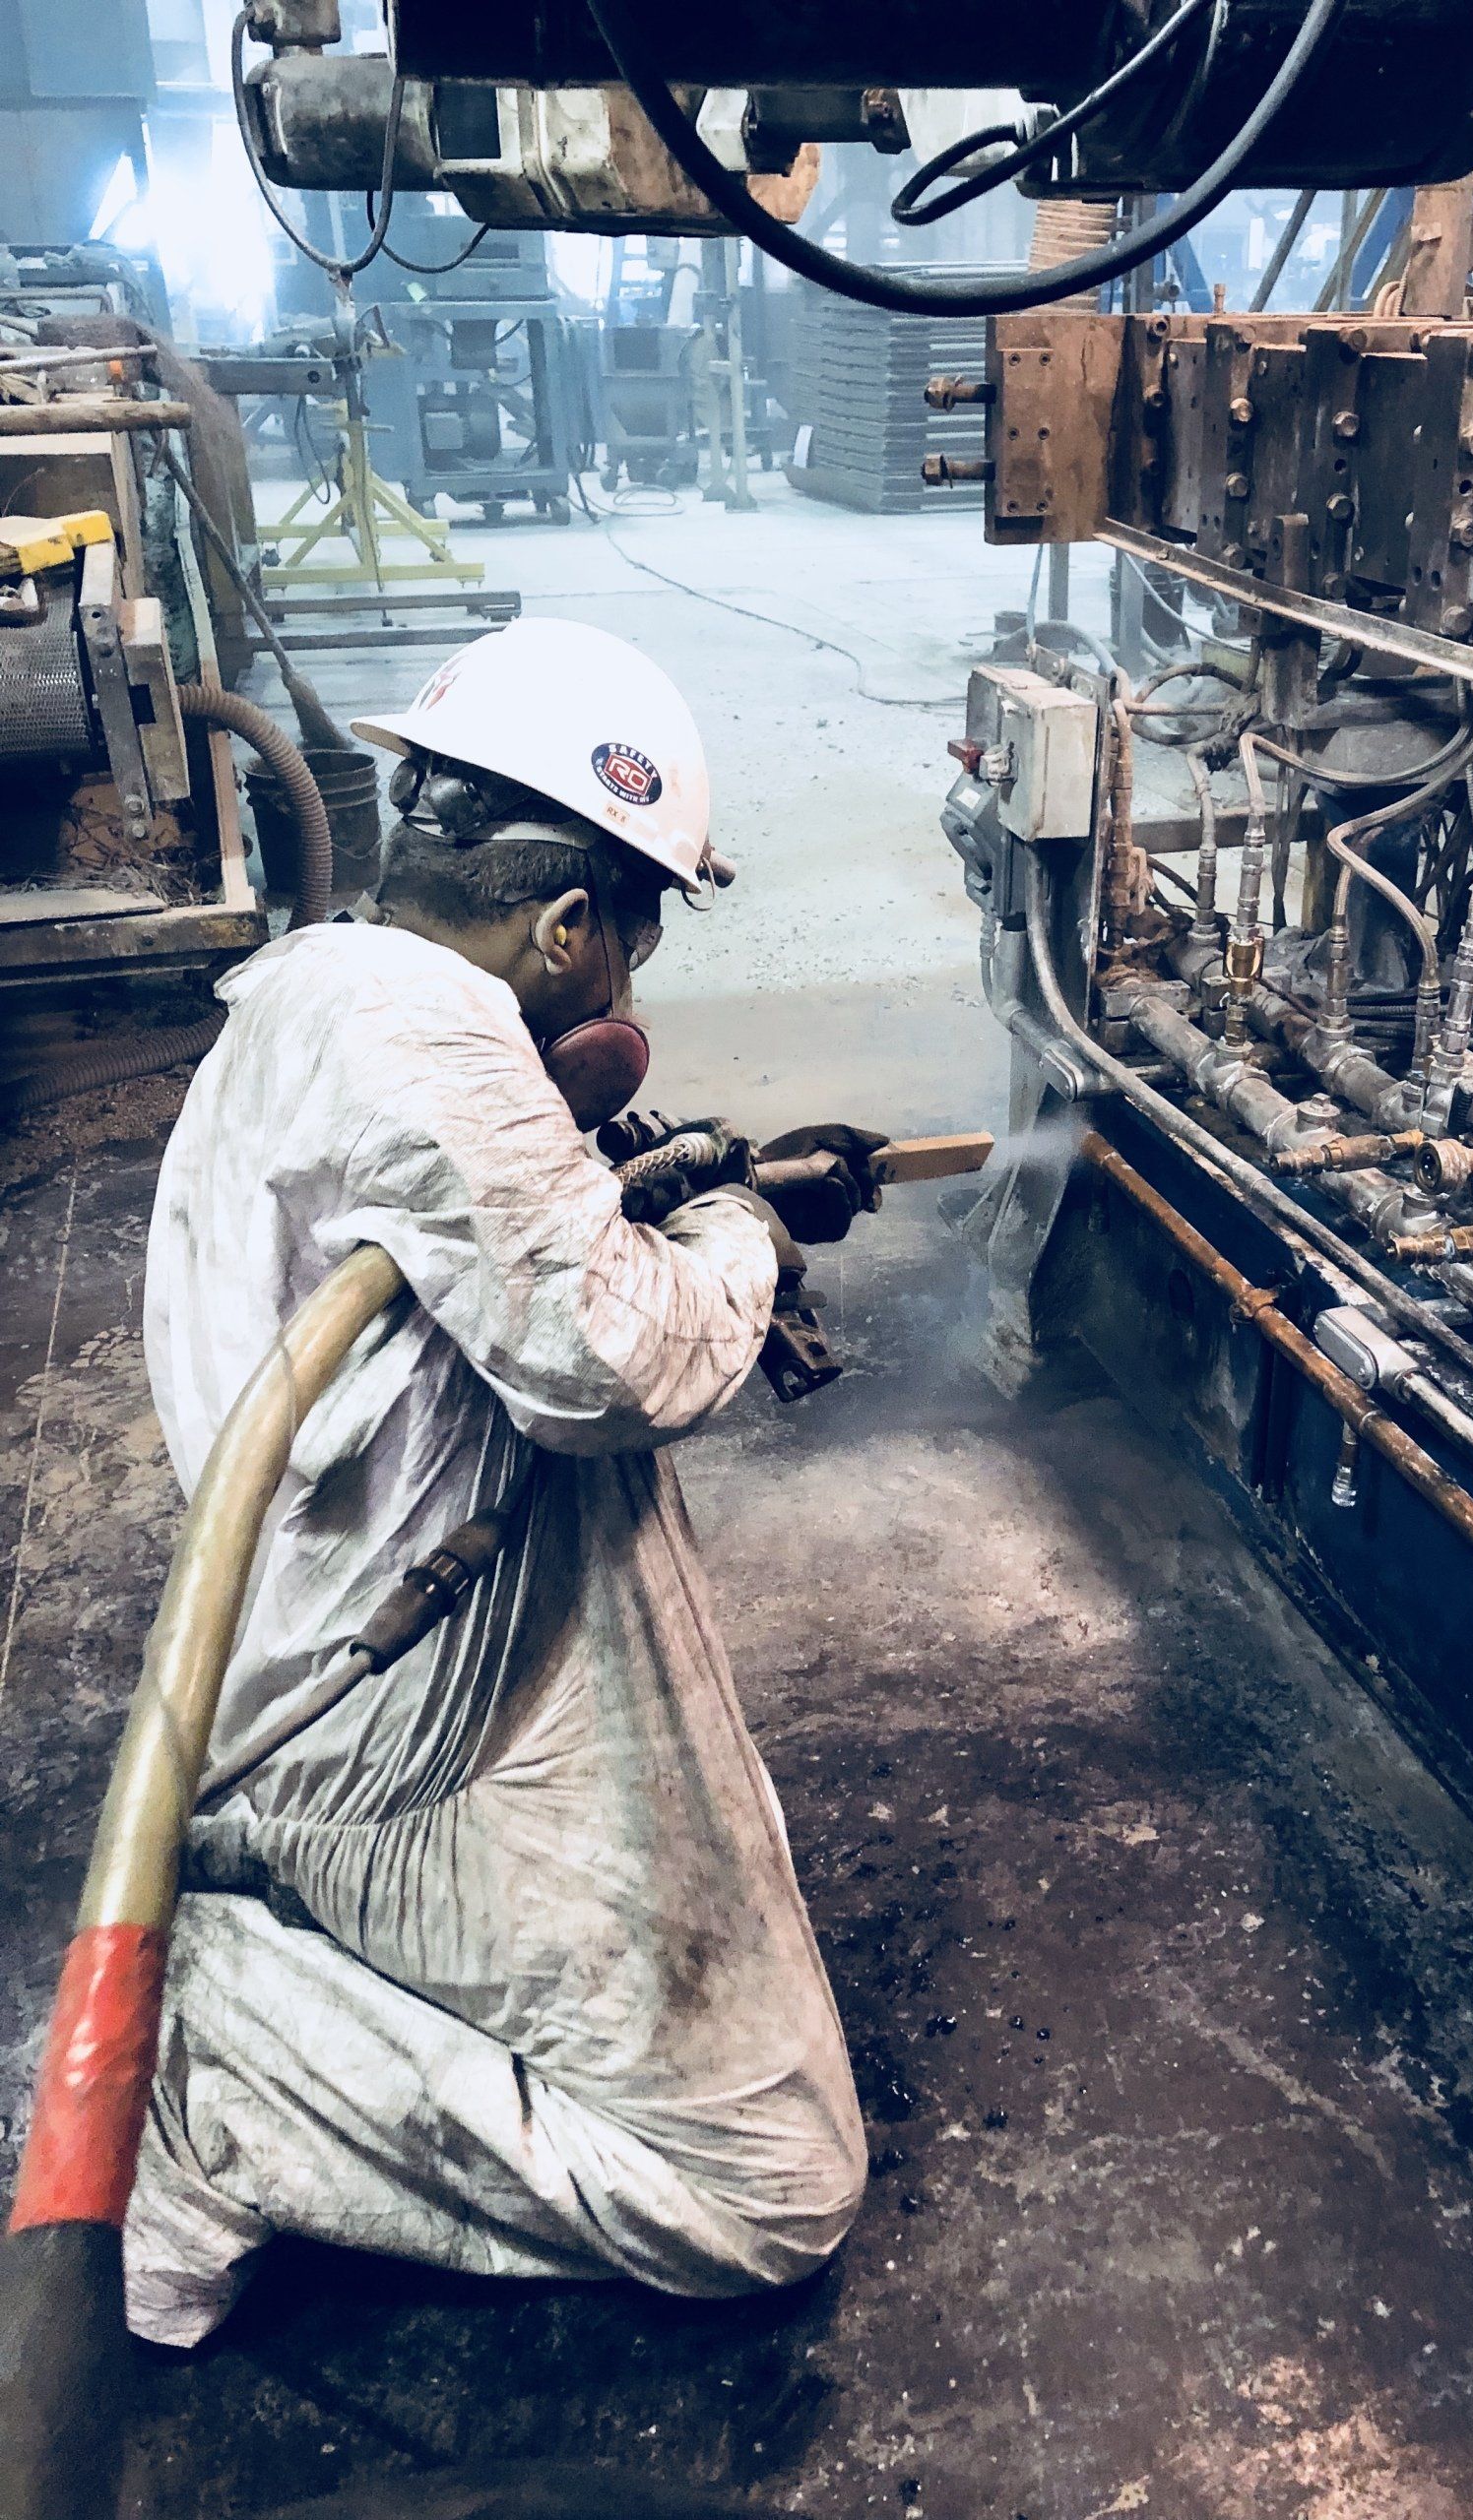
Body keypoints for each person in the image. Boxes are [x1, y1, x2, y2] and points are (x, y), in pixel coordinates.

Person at [125, 617, 869, 2347]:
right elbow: (621, 1366)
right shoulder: (439, 1049)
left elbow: (502, 1258)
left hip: (390, 1638)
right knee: (768, 2181)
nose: (629, 993)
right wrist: (742, 1238)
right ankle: (231, 2053)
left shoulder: (336, 981)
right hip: (399, 1739)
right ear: (562, 924)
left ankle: (287, 1970)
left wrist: (650, 1184)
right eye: (633, 940)